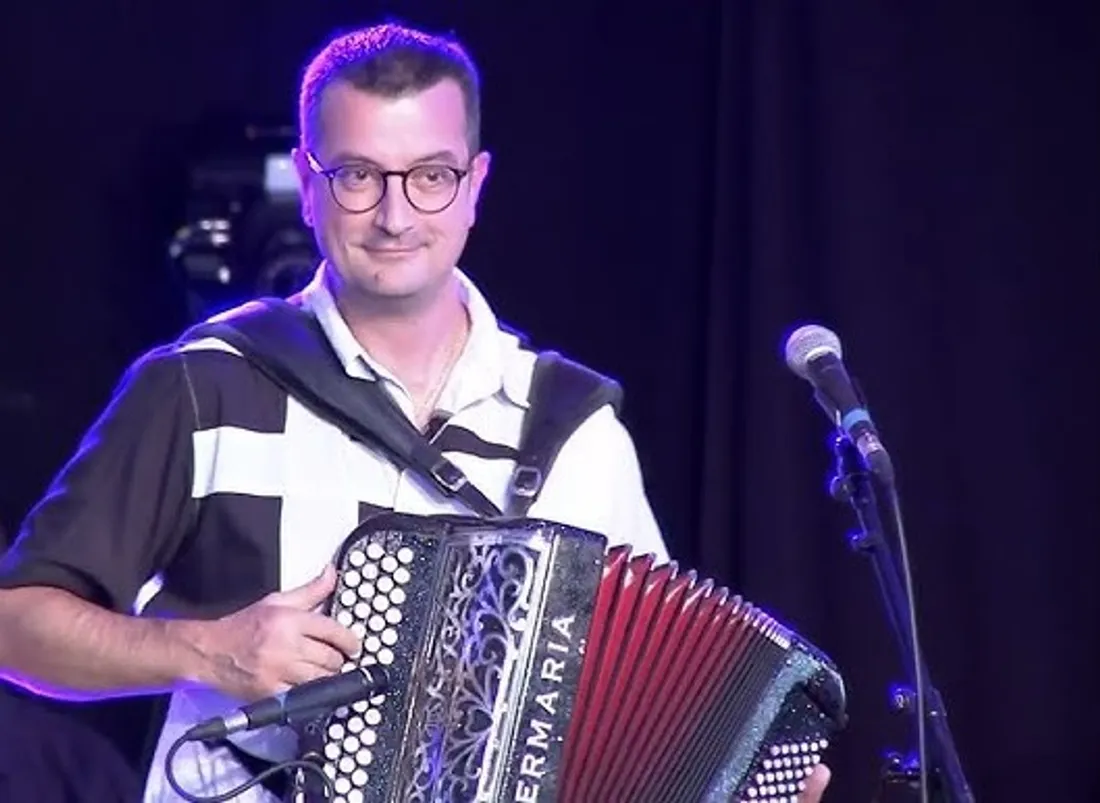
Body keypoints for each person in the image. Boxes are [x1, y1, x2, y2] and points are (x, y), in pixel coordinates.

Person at [0, 22, 832, 803]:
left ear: (475, 185)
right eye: (358, 175)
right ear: (310, 181)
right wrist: (206, 650)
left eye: (430, 176)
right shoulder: (204, 387)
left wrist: (738, 780)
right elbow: (15, 627)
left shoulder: (575, 429)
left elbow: (657, 710)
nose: (395, 216)